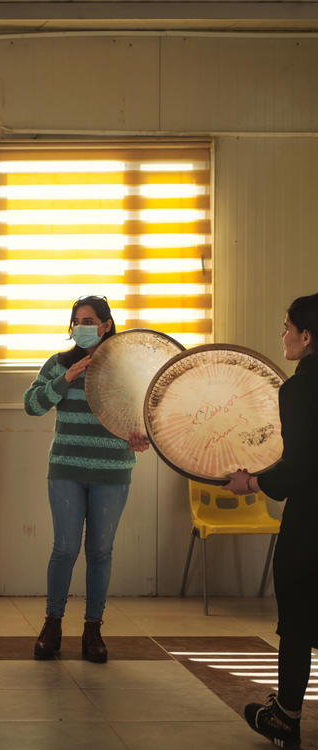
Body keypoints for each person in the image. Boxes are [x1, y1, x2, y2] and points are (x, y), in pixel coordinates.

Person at [23, 295, 149, 663]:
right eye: (78, 320)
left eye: (90, 321)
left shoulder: (126, 367)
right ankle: (52, 624)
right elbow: (32, 405)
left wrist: (139, 435)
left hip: (113, 472)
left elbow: (144, 414)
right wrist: (66, 378)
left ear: (107, 325)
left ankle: (93, 629)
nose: (83, 327)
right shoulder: (59, 363)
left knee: (100, 552)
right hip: (66, 471)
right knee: (64, 549)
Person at [225, 292, 318, 750]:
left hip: (311, 524)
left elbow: (300, 465)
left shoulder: (299, 390)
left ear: (307, 336)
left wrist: (252, 483)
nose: (282, 334)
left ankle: (285, 716)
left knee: (297, 622)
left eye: (287, 327)